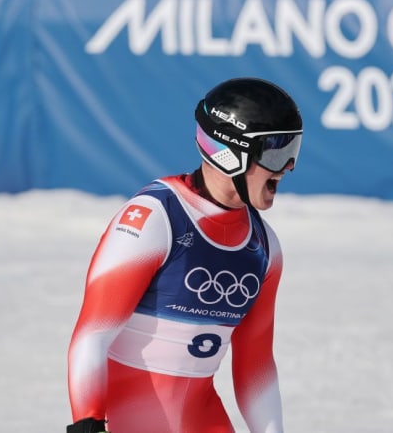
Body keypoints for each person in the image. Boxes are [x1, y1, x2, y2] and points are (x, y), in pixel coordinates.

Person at [66, 77, 303, 433]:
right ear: (231, 153)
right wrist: (87, 422)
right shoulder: (154, 219)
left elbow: (255, 363)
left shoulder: (264, 247)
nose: (288, 168)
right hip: (128, 420)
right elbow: (92, 335)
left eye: (293, 151)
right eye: (276, 153)